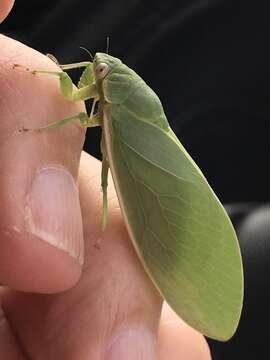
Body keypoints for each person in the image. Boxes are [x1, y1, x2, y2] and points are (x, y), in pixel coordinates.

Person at [0, 1, 211, 359]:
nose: (92, 71)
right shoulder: (113, 92)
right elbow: (78, 109)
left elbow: (76, 116)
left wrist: (38, 120)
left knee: (99, 180)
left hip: (156, 188)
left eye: (96, 70)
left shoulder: (115, 101)